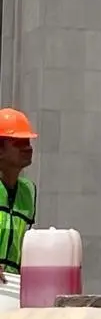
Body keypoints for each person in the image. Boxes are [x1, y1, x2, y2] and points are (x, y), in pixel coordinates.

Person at [0, 109, 37, 284]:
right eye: (19, 143)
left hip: (10, 286)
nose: (28, 148)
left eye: (28, 141)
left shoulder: (27, 192)